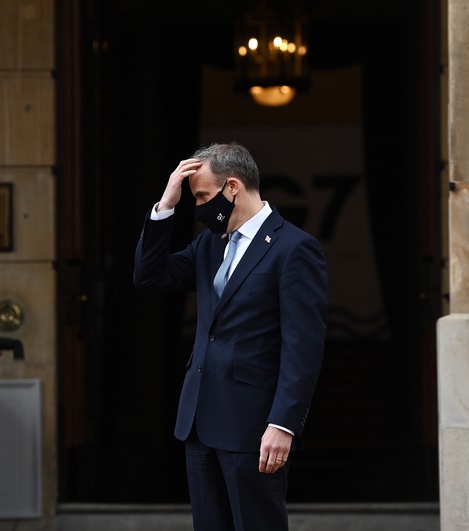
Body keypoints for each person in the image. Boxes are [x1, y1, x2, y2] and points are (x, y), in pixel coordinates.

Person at [133, 142, 328, 531]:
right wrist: (165, 205)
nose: (200, 206)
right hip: (199, 419)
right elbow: (149, 275)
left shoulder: (294, 248)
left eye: (203, 195)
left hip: (253, 425)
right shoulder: (211, 244)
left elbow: (302, 347)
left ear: (233, 187)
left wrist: (283, 423)